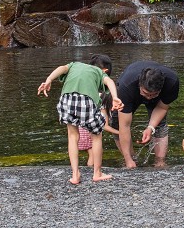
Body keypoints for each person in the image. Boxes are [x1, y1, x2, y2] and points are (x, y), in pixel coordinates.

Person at [37, 55, 123, 185]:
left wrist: (48, 79)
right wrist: (115, 97)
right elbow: (110, 82)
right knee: (96, 136)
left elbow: (61, 68)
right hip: (86, 100)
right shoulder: (99, 72)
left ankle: (75, 174)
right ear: (105, 70)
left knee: (72, 136)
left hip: (66, 98)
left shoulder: (74, 64)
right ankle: (97, 173)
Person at [114, 60, 180, 169]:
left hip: (157, 100)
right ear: (140, 85)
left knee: (160, 124)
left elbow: (162, 107)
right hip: (130, 90)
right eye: (146, 93)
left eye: (153, 94)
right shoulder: (126, 86)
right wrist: (128, 160)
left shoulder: (171, 82)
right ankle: (131, 159)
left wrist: (150, 128)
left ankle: (160, 162)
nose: (149, 97)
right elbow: (124, 125)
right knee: (116, 123)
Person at [77, 88, 121, 166]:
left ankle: (92, 169)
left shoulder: (97, 95)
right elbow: (105, 126)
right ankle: (92, 170)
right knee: (93, 153)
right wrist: (121, 133)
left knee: (93, 152)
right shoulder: (103, 105)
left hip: (82, 126)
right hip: (88, 129)